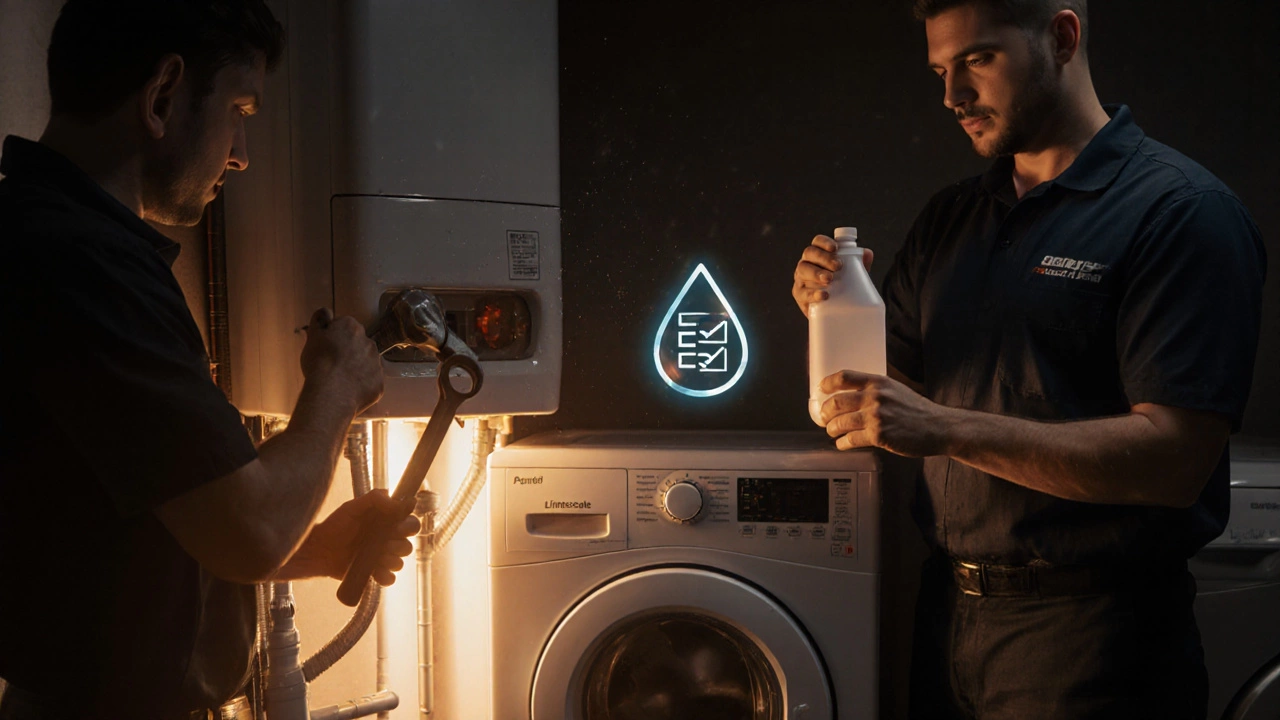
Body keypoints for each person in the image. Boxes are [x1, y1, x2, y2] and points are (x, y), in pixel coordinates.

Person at [791, 1, 1266, 718]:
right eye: (940, 71)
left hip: (1096, 642)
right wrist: (829, 314)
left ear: (1062, 37)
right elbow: (904, 394)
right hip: (948, 617)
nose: (952, 96)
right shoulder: (952, 217)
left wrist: (947, 429)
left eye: (978, 59)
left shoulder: (1181, 212)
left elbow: (1175, 460)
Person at [0, 2, 418, 717]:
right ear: (163, 94)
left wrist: (315, 549)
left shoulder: (63, 247)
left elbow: (149, 519)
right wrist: (337, 386)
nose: (242, 151)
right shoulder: (81, 266)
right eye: (238, 108)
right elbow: (248, 532)